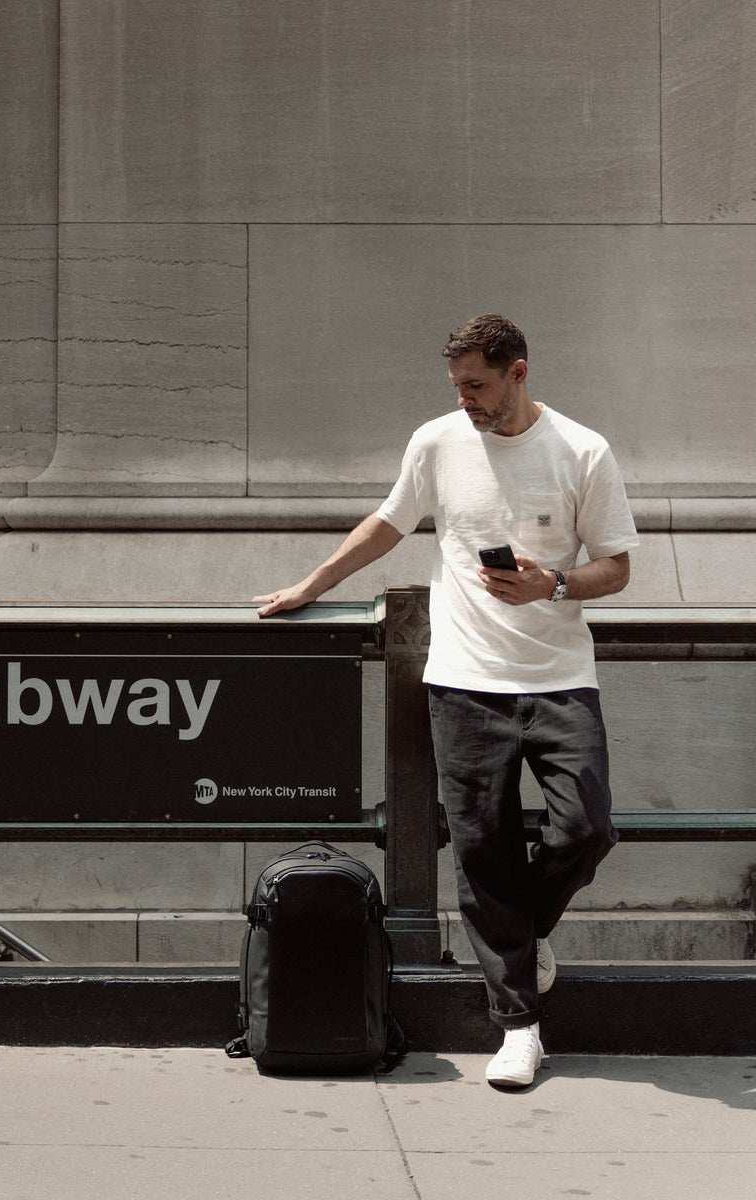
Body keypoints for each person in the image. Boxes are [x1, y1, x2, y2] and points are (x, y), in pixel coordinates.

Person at [255, 314, 639, 1087]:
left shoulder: (582, 451)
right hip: (464, 679)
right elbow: (387, 525)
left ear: (519, 373)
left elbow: (618, 568)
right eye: (457, 385)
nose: (465, 399)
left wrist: (551, 583)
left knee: (587, 827)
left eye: (478, 385)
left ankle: (518, 940)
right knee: (481, 851)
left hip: (560, 678)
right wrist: (310, 585)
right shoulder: (436, 442)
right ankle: (519, 1027)